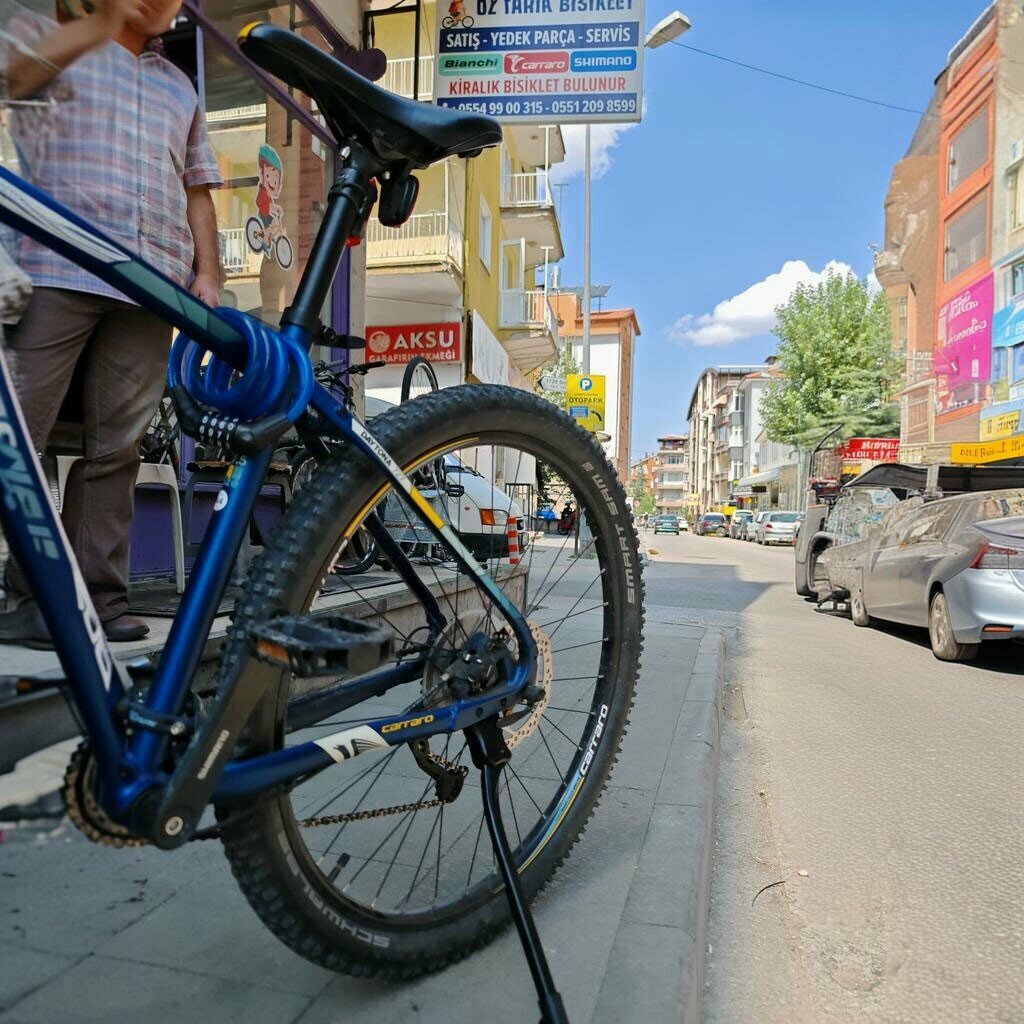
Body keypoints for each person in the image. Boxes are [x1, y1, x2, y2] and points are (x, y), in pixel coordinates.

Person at [0, 0, 222, 646]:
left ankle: (98, 600)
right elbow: (11, 80)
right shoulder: (45, 36)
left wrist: (207, 272)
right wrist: (98, 27)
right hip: (53, 268)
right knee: (18, 436)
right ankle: (29, 595)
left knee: (116, 451)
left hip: (148, 285)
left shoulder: (179, 86)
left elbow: (197, 186)